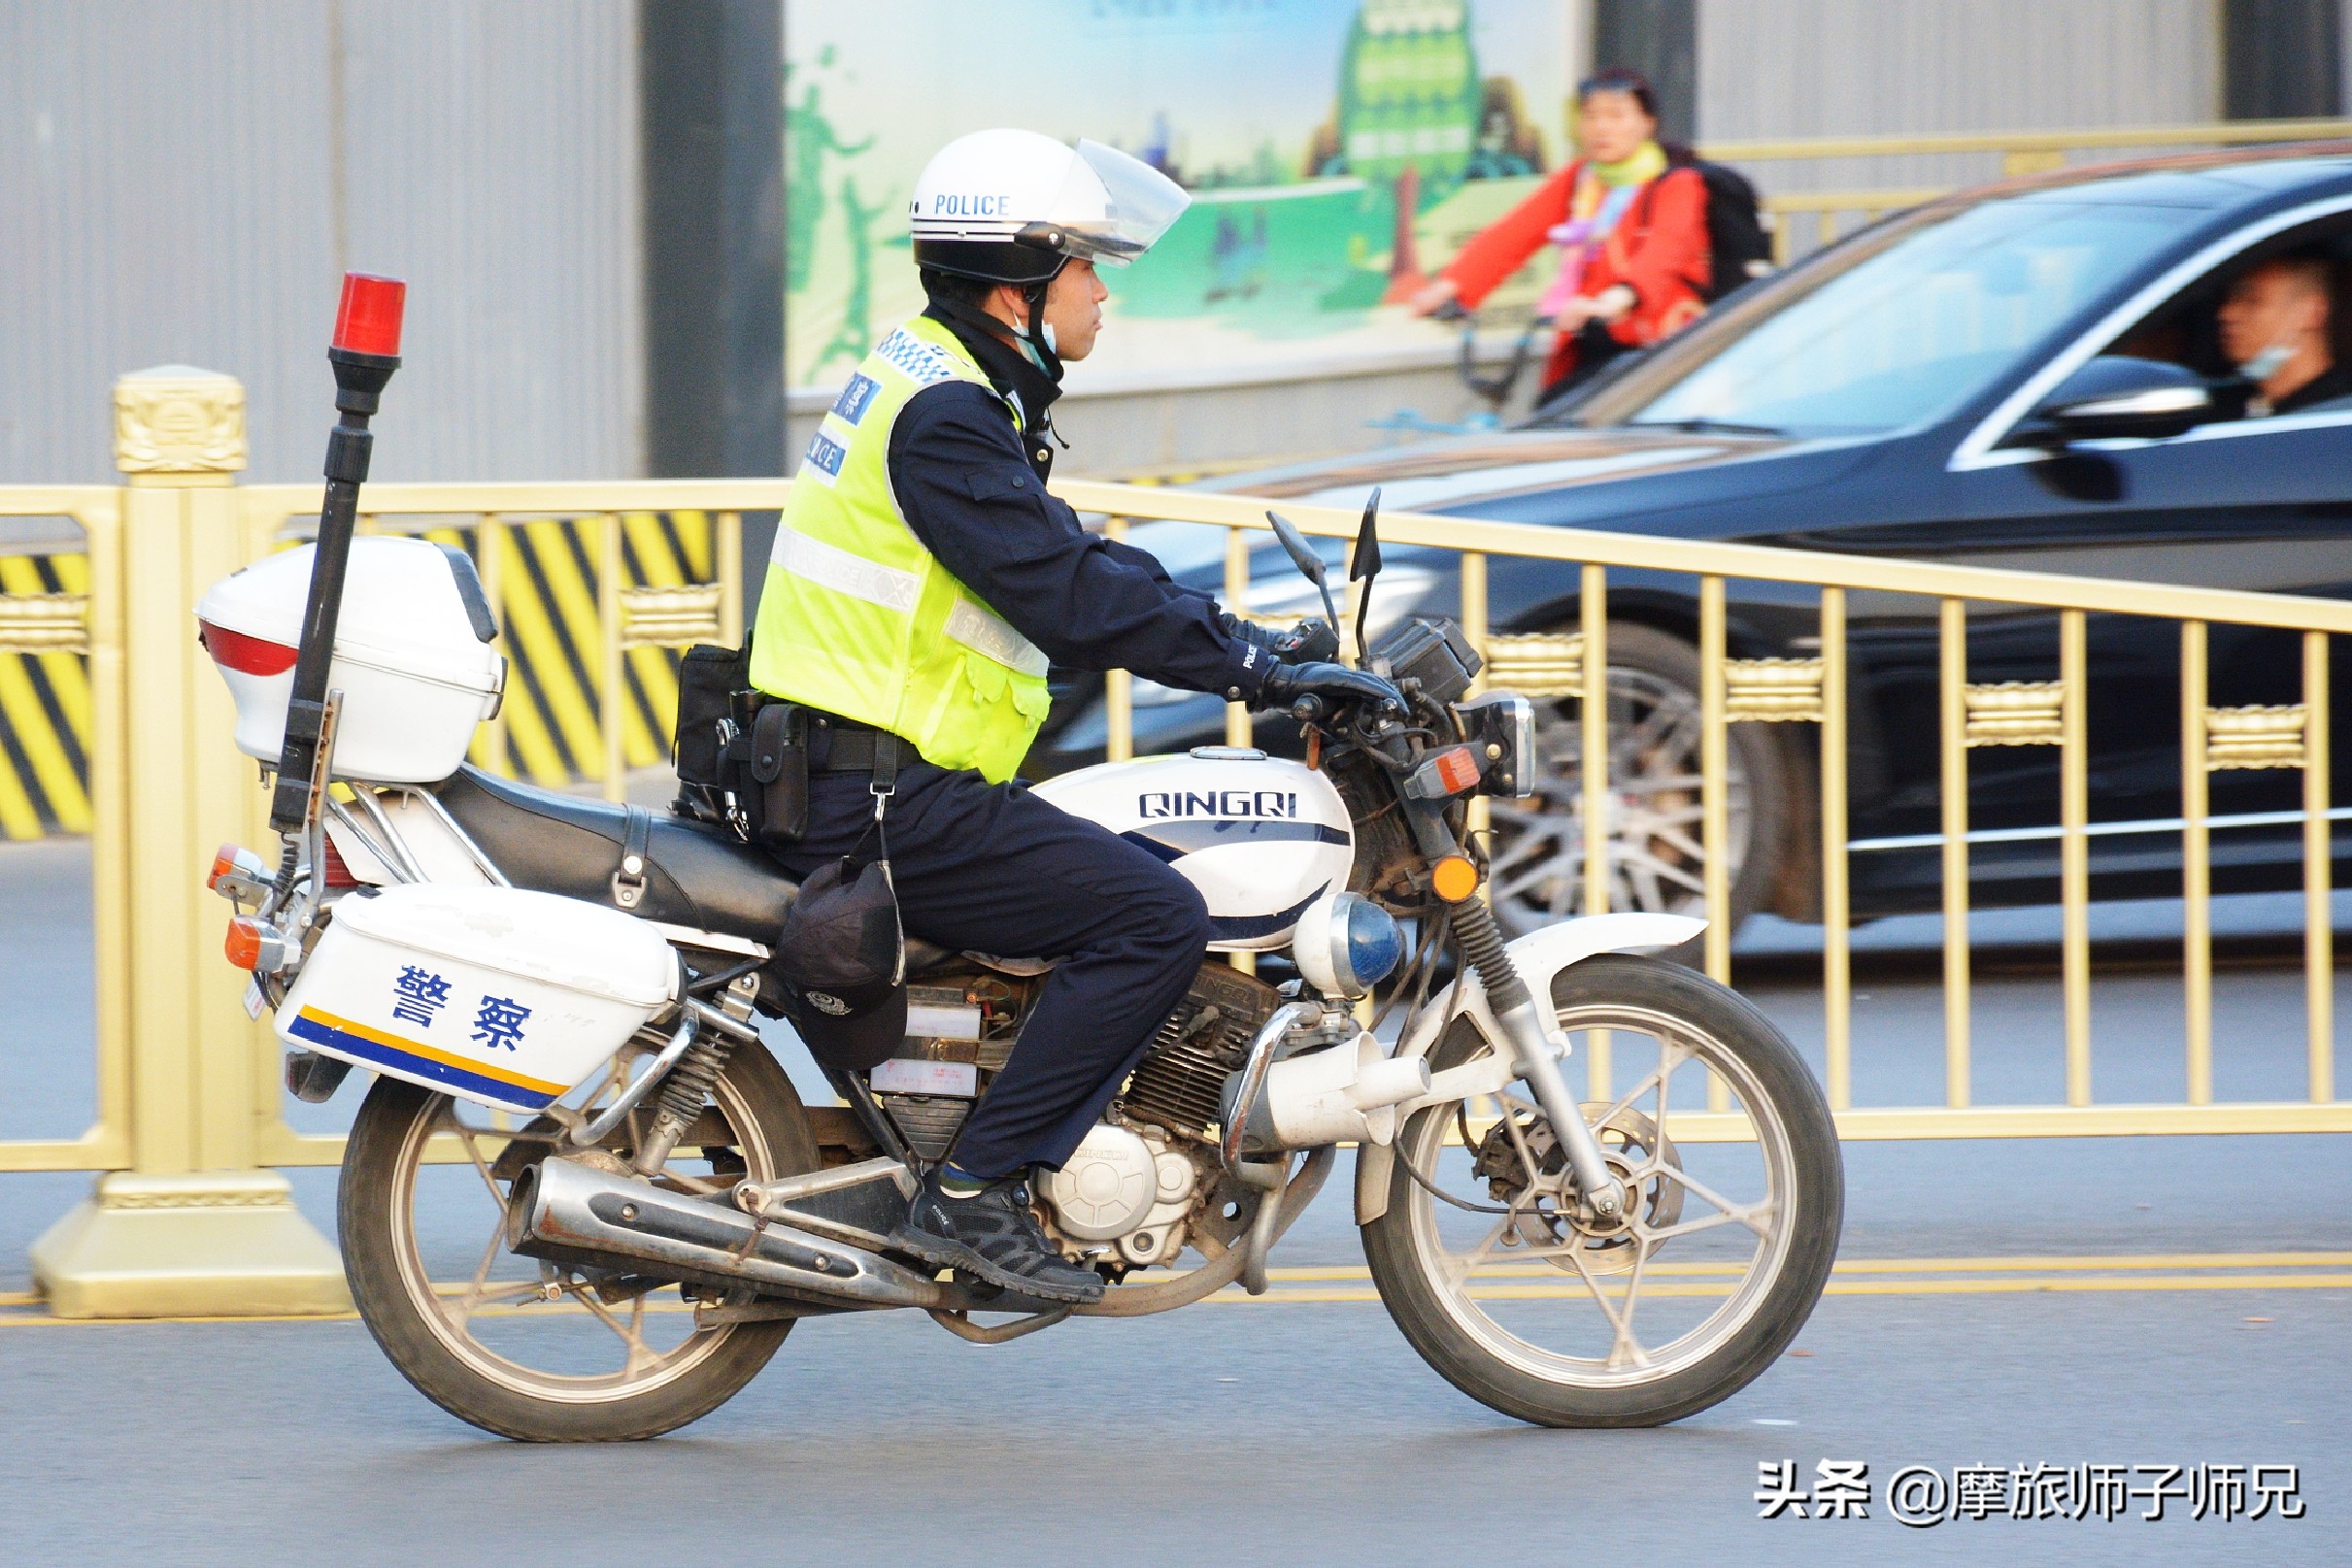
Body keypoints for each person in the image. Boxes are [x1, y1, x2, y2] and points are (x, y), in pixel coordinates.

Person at [749, 129, 1394, 1305]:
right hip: (881, 799)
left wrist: (1262, 646)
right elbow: (1070, 598)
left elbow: (1069, 570)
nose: (1103, 291)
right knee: (1152, 914)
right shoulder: (946, 414)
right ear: (1019, 287)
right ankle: (975, 1192)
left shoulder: (943, 381)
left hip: (874, 775)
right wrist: (1257, 667)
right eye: (1087, 268)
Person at [1410, 69, 1710, 402]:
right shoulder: (1581, 179)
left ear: (1647, 123)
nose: (1601, 127)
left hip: (1659, 342)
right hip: (1592, 335)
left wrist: (1616, 299)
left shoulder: (1677, 183)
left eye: (1616, 115)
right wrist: (1450, 286)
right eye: (1591, 116)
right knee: (1554, 413)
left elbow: (1662, 255)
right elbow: (1514, 233)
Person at [2217, 250, 2352, 416]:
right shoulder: (2239, 404)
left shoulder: (2334, 412)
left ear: (2310, 313)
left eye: (2252, 300)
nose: (2227, 314)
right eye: (2231, 298)